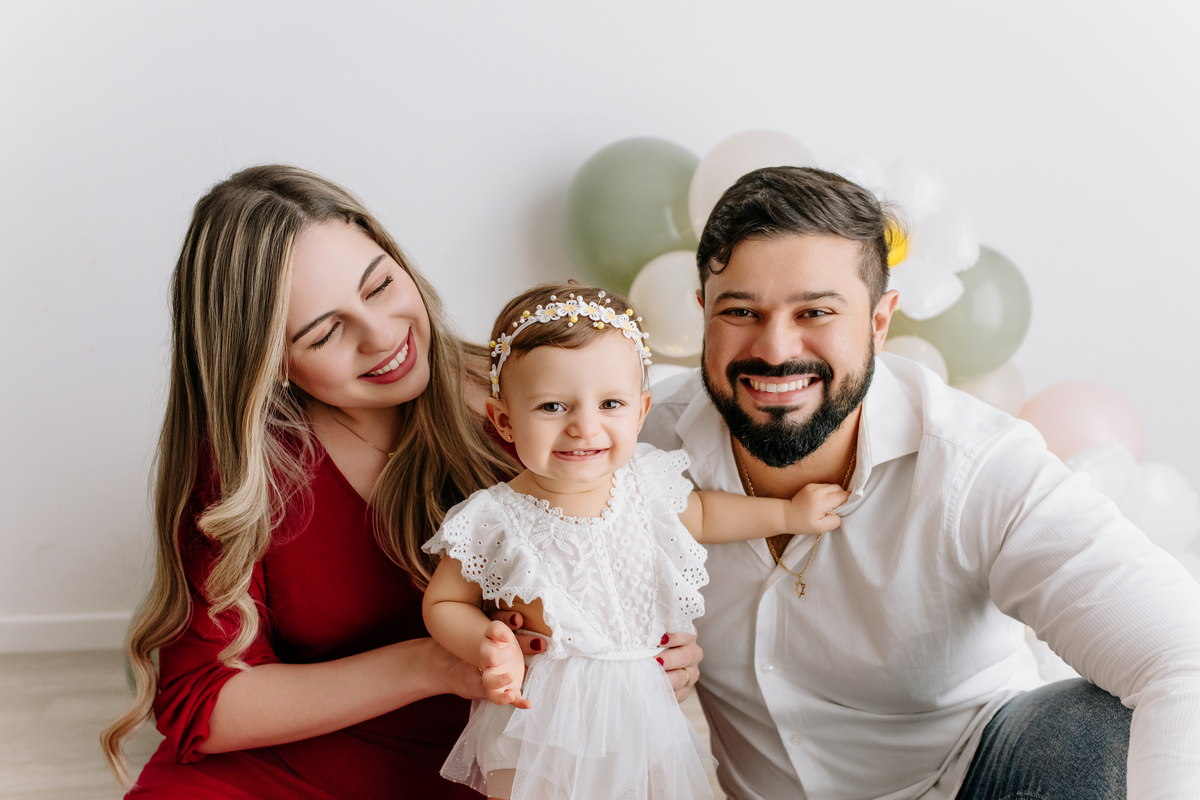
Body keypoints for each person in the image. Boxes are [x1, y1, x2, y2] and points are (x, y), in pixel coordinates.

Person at [99, 166, 705, 799]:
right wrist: (432, 664)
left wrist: (659, 659)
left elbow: (636, 553)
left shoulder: (543, 405)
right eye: (326, 331)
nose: (383, 335)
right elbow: (202, 705)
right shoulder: (248, 466)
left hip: (504, 765)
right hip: (287, 769)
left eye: (381, 285)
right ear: (269, 362)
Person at [640, 166, 1200, 799]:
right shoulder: (632, 452)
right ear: (704, 314)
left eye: (815, 311)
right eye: (741, 311)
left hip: (978, 778)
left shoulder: (977, 463)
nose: (774, 349)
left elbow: (1183, 653)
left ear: (879, 321)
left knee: (1101, 731)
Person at [419, 283, 849, 800]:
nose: (584, 427)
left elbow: (706, 513)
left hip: (643, 709)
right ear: (504, 420)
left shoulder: (645, 483)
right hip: (542, 716)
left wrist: (786, 513)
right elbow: (444, 602)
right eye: (553, 406)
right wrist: (490, 645)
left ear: (641, 412)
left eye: (610, 403)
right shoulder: (493, 518)